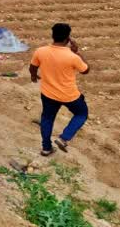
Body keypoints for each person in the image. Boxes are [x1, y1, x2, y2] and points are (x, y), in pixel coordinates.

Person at [29, 23, 90, 156]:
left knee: (47, 118)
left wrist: (34, 76)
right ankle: (64, 138)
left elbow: (32, 67)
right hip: (70, 95)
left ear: (52, 35)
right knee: (81, 114)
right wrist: (77, 52)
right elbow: (86, 70)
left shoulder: (41, 51)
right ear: (68, 39)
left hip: (48, 94)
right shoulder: (72, 57)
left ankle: (46, 148)